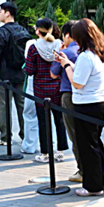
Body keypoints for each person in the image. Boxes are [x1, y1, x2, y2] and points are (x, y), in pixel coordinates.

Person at [55, 19, 104, 197]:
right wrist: (69, 64)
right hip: (100, 101)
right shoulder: (101, 53)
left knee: (87, 146)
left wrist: (65, 66)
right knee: (96, 143)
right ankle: (103, 180)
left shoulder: (86, 56)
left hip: (86, 104)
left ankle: (93, 186)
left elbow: (77, 83)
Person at [25, 18, 67, 163]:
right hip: (57, 87)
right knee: (59, 120)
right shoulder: (60, 45)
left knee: (43, 122)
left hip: (40, 89)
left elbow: (30, 70)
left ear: (37, 30)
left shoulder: (33, 47)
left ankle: (45, 153)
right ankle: (60, 151)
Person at [0, 2, 29, 147]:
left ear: (7, 13)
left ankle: (6, 137)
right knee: (22, 106)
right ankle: (26, 136)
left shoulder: (1, 32)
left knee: (3, 107)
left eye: (0, 11)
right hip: (20, 74)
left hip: (3, 75)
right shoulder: (23, 31)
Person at [52, 20, 82, 183]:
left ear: (68, 35)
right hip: (89, 97)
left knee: (74, 134)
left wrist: (61, 53)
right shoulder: (87, 50)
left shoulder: (67, 52)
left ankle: (82, 169)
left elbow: (53, 73)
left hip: (69, 94)